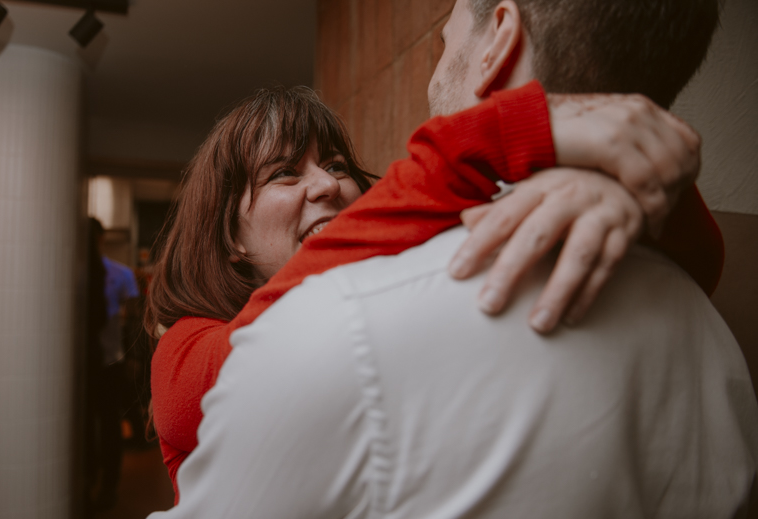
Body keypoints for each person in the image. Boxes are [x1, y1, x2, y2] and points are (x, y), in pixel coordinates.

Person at [150, 0, 757, 517]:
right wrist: (499, 135)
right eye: (284, 174)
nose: (328, 185)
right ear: (230, 238)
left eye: (335, 165)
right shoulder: (186, 345)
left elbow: (703, 261)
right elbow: (253, 360)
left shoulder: (391, 278)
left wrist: (637, 187)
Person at [89, 217, 140, 510]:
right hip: (84, 365)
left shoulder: (120, 274)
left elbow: (133, 319)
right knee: (88, 425)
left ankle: (109, 486)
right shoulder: (76, 272)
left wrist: (133, 357)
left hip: (111, 361)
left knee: (110, 425)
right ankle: (88, 480)